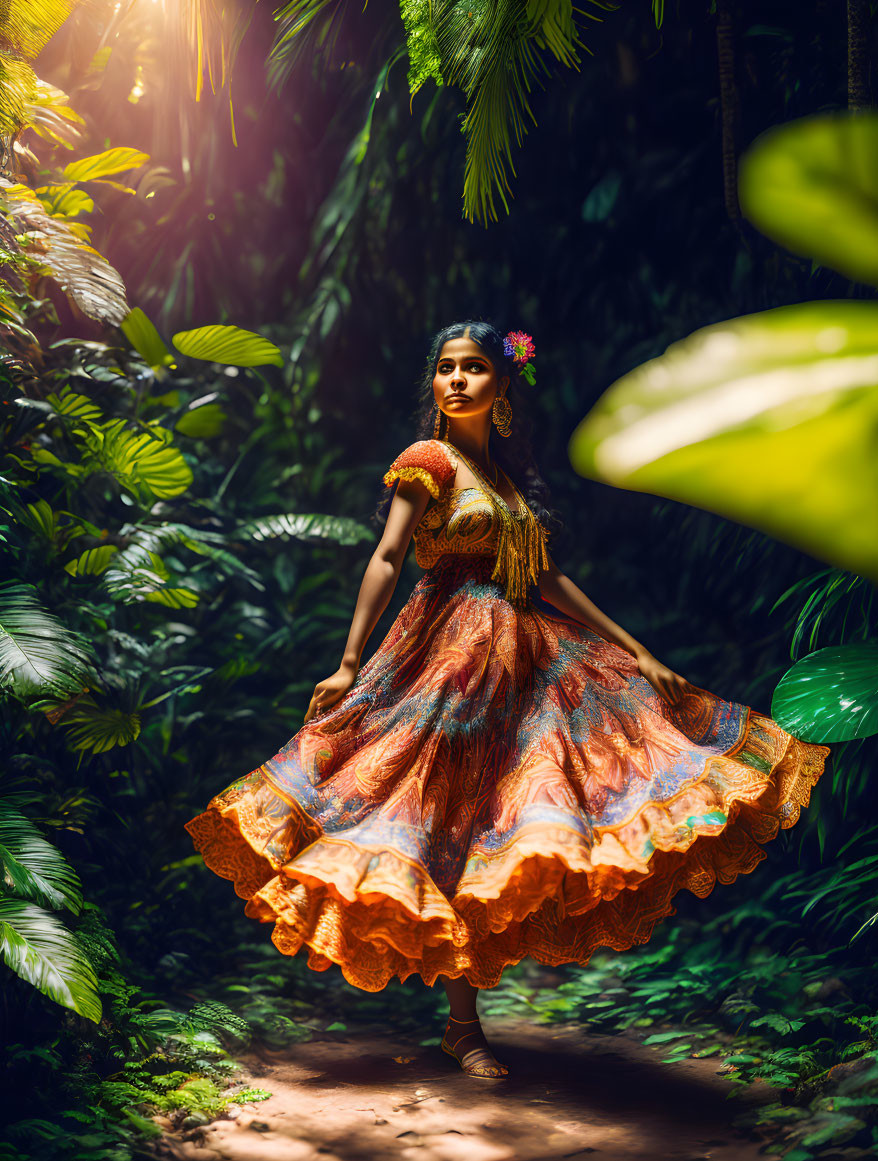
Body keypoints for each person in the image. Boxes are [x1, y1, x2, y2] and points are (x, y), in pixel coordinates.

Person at [184, 320, 830, 1081]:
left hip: (525, 662)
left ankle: (466, 1024)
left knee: (509, 820)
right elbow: (388, 556)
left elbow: (547, 578)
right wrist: (348, 658)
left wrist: (639, 651)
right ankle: (464, 1027)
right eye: (446, 368)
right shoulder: (428, 461)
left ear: (502, 387)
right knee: (445, 818)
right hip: (446, 660)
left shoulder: (508, 485)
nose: (456, 379)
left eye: (476, 367)